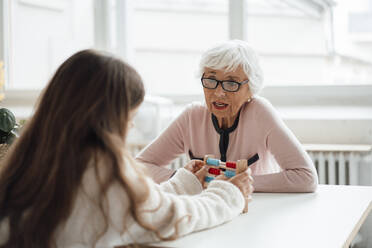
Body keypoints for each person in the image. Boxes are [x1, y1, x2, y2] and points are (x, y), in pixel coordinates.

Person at [0, 50, 253, 248]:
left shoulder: (35, 158)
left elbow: (130, 205)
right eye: (129, 116)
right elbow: (173, 217)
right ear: (107, 117)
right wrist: (228, 194)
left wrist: (184, 183)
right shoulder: (100, 168)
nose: (131, 125)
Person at [137, 40, 318, 192]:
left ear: (251, 89)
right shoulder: (192, 117)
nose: (219, 93)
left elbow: (305, 177)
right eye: (211, 80)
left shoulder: (259, 113)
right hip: (207, 212)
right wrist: (184, 180)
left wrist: (240, 184)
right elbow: (139, 165)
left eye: (231, 83)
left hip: (256, 212)